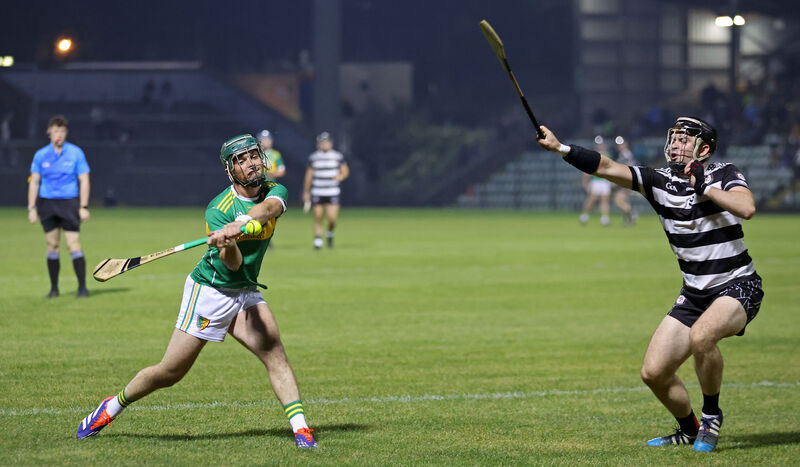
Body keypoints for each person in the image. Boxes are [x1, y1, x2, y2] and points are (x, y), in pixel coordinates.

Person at [537, 117, 764, 453]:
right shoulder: (659, 180)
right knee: (653, 373)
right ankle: (689, 429)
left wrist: (704, 185)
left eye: (685, 139)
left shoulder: (723, 173)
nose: (675, 143)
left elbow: (746, 208)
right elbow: (607, 166)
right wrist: (561, 148)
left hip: (739, 284)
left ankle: (712, 415)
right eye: (674, 137)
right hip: (695, 294)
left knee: (703, 337)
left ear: (704, 149)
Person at [75, 134, 317, 448]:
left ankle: (301, 431)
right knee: (170, 372)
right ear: (231, 170)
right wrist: (228, 243)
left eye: (253, 155)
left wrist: (243, 221)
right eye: (241, 160)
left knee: (275, 353)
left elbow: (272, 208)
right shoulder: (218, 210)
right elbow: (231, 265)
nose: (251, 163)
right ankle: (112, 406)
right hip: (211, 292)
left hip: (245, 291)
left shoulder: (273, 190)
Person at [28, 115, 91, 298]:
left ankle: (82, 288)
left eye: (62, 131)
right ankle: (54, 289)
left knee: (73, 244)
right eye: (56, 130)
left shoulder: (76, 153)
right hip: (47, 204)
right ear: (49, 132)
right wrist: (31, 208)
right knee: (52, 245)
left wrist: (83, 206)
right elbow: (34, 182)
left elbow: (84, 180)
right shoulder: (41, 155)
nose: (59, 134)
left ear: (66, 133)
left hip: (69, 203)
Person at [303, 131, 349, 249]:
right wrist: (306, 192)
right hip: (318, 191)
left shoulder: (337, 156)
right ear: (319, 144)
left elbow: (345, 171)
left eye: (327, 142)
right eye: (322, 142)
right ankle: (318, 240)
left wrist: (340, 176)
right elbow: (309, 175)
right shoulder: (314, 157)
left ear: (331, 143)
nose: (325, 144)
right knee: (318, 216)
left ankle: (329, 233)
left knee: (332, 219)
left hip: (332, 192)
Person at [578, 136, 612, 226]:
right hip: (596, 180)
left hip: (604, 180)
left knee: (605, 199)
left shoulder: (608, 155)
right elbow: (588, 168)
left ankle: (605, 218)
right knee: (592, 199)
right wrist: (585, 181)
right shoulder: (594, 155)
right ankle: (584, 215)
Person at [612, 136, 637, 225]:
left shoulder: (625, 155)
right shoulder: (625, 154)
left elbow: (623, 168)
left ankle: (632, 214)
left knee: (618, 200)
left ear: (625, 144)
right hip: (628, 180)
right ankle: (628, 219)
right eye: (618, 145)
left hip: (627, 180)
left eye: (621, 144)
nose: (619, 146)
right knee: (622, 200)